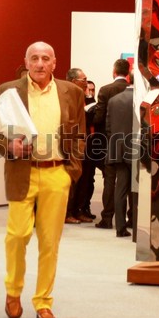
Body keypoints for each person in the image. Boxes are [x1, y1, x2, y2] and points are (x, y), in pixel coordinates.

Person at [0, 41, 85, 318]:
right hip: (22, 172)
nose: (40, 64)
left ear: (54, 63)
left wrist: (72, 171)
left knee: (50, 241)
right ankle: (13, 291)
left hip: (57, 173)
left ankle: (43, 301)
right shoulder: (8, 91)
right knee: (17, 236)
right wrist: (10, 146)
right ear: (26, 62)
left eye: (45, 58)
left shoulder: (72, 92)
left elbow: (79, 134)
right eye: (34, 58)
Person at [92, 58, 130, 229]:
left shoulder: (106, 90)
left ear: (114, 72)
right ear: (127, 73)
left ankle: (107, 218)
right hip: (131, 143)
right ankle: (130, 218)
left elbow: (99, 118)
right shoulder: (135, 93)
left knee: (110, 181)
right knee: (129, 182)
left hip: (110, 142)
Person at [106, 76, 136, 237]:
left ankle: (120, 227)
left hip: (116, 146)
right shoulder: (141, 99)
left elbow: (108, 127)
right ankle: (137, 226)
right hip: (136, 147)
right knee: (137, 190)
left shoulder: (114, 100)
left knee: (120, 189)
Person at [64, 68, 94, 224]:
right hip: (72, 144)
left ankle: (78, 210)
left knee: (85, 180)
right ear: (72, 81)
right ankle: (67, 212)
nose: (86, 83)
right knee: (72, 180)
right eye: (83, 80)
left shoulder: (86, 98)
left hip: (88, 143)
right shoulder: (66, 97)